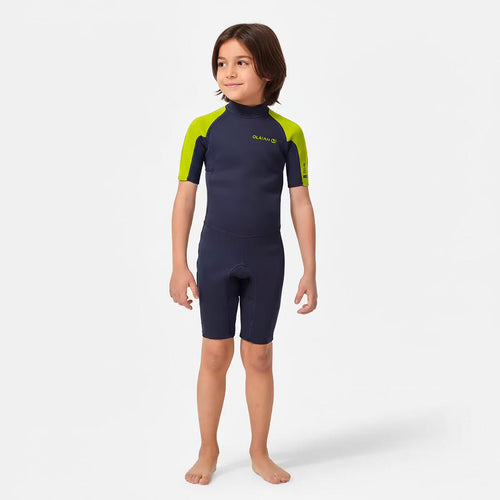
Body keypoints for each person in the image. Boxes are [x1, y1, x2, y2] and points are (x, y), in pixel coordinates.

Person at [170, 23, 317, 485]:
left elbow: (300, 202)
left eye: (241, 63)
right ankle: (208, 448)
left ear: (268, 70)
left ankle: (259, 450)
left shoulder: (288, 133)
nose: (228, 72)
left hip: (266, 259)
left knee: (260, 357)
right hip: (215, 256)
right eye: (222, 63)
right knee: (215, 354)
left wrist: (310, 269)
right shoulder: (204, 129)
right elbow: (186, 197)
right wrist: (179, 264)